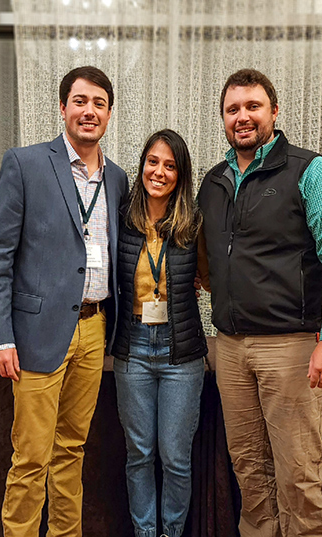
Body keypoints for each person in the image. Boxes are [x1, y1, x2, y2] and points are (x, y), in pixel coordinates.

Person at [198, 68, 322, 537]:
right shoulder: (213, 181)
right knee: (249, 471)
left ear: (274, 112)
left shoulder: (311, 171)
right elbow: (210, 258)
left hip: (292, 348)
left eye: (252, 107)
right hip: (229, 347)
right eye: (232, 110)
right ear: (223, 119)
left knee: (299, 474)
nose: (242, 117)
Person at [0, 65, 128, 537]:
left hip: (94, 328)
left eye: (99, 103)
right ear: (63, 108)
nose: (89, 111)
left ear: (109, 114)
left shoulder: (118, 178)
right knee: (31, 457)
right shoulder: (24, 164)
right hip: (36, 334)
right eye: (80, 101)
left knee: (71, 450)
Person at [112, 129, 207, 537]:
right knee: (139, 455)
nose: (160, 171)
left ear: (180, 174)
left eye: (170, 165)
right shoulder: (121, 218)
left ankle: (171, 533)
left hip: (180, 354)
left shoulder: (194, 222)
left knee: (174, 458)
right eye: (153, 161)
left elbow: (211, 275)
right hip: (132, 351)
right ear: (142, 165)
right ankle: (145, 532)